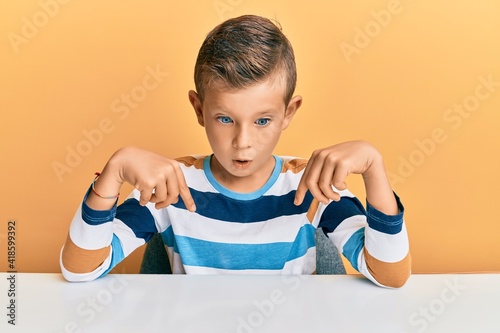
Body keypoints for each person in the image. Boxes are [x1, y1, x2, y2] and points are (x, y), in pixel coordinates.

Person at [60, 14, 411, 288]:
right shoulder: (172, 186)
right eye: (225, 118)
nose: (243, 142)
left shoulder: (308, 185)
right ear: (199, 110)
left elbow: (390, 275)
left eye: (262, 121)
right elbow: (79, 270)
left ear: (288, 113)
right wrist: (113, 173)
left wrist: (374, 169)